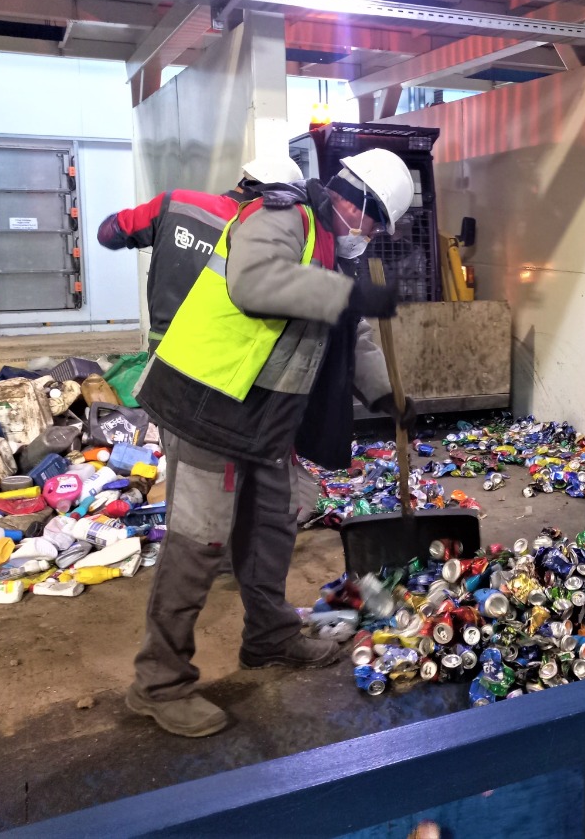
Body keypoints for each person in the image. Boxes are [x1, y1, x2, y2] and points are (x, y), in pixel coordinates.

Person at [126, 149, 416, 737]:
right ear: (353, 202)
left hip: (260, 417)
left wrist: (386, 394)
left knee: (272, 522)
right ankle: (159, 682)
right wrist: (348, 295)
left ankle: (269, 636)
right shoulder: (284, 215)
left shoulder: (335, 255)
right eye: (375, 223)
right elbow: (253, 282)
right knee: (200, 541)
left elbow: (353, 335)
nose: (372, 237)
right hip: (205, 403)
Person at [97, 155, 305, 352]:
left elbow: (108, 234)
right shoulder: (269, 238)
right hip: (226, 354)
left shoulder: (175, 203)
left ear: (244, 179)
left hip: (165, 344)